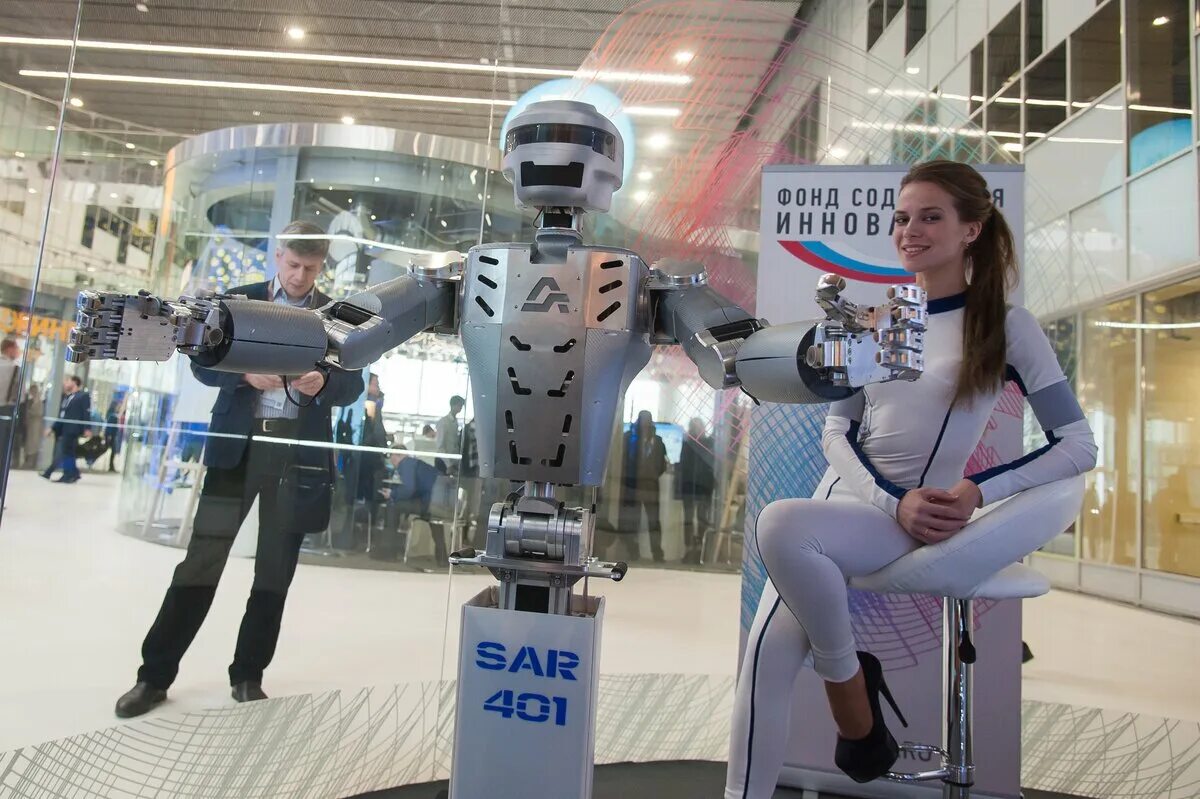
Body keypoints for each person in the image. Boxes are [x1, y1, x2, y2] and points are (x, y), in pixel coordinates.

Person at [724, 161, 1098, 797]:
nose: (909, 230)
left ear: (971, 229)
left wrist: (978, 490)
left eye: (930, 216)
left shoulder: (1007, 326)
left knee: (782, 523)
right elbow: (837, 431)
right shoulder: (888, 317)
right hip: (852, 505)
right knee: (764, 661)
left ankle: (851, 696)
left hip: (906, 524)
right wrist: (889, 499)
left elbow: (1078, 445)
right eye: (901, 218)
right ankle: (839, 707)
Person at [114, 220, 365, 719]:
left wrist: (325, 386)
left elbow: (354, 385)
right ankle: (153, 677)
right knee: (200, 563)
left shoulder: (337, 317)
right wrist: (243, 374)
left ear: (322, 266)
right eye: (293, 264)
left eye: (310, 267)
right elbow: (201, 363)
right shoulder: (238, 302)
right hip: (237, 452)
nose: (300, 276)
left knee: (275, 572)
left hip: (296, 459)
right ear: (277, 255)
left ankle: (248, 676)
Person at [376, 445, 447, 563]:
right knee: (435, 519)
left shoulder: (406, 463)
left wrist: (392, 494)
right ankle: (442, 558)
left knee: (392, 505)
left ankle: (389, 551)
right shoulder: (416, 464)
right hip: (439, 504)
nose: (390, 460)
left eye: (390, 455)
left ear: (396, 455)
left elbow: (409, 489)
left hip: (429, 504)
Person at [618, 410, 669, 563]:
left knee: (653, 521)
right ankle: (633, 552)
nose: (646, 424)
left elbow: (662, 464)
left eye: (648, 421)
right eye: (643, 421)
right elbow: (623, 461)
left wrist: (652, 474)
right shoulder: (629, 438)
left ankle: (657, 554)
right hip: (633, 486)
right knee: (633, 521)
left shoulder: (657, 441)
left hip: (651, 487)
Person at [677, 417, 715, 564]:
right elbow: (683, 465)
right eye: (694, 426)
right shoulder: (687, 443)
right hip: (689, 486)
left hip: (704, 486)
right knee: (688, 519)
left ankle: (699, 548)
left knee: (702, 518)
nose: (696, 429)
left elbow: (712, 465)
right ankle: (689, 548)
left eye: (698, 426)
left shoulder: (709, 443)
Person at [41, 375, 91, 483]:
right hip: (64, 429)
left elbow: (86, 412)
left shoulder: (83, 396)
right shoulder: (67, 397)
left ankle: (68, 474)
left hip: (73, 429)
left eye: (68, 381)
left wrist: (87, 428)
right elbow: (62, 415)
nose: (65, 383)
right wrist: (52, 428)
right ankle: (73, 473)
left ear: (74, 382)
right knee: (68, 452)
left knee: (67, 452)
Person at [435, 394, 465, 475]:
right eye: (459, 405)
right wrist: (449, 465)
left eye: (461, 406)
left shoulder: (455, 422)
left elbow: (454, 444)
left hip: (451, 462)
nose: (461, 408)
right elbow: (440, 447)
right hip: (443, 462)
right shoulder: (443, 422)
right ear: (453, 405)